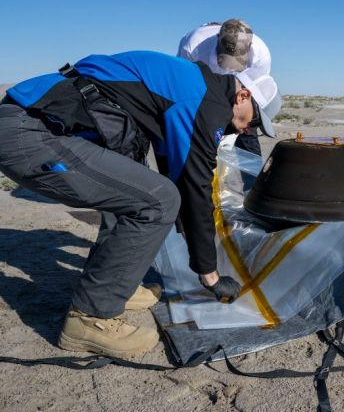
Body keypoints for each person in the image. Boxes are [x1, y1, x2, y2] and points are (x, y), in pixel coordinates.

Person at [0, 51, 281, 358]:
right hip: (30, 132)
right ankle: (90, 317)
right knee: (159, 200)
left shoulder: (197, 85)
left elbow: (178, 175)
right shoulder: (205, 101)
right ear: (242, 95)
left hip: (37, 123)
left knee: (139, 189)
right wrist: (209, 274)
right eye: (253, 122)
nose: (247, 130)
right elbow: (193, 187)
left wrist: (192, 239)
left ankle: (115, 282)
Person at [177, 18, 272, 156]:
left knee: (248, 138)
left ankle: (253, 177)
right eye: (226, 58)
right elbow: (185, 86)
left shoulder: (261, 54)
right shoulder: (193, 46)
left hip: (240, 98)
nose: (229, 67)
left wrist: (242, 120)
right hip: (205, 92)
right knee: (200, 141)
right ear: (217, 41)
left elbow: (257, 93)